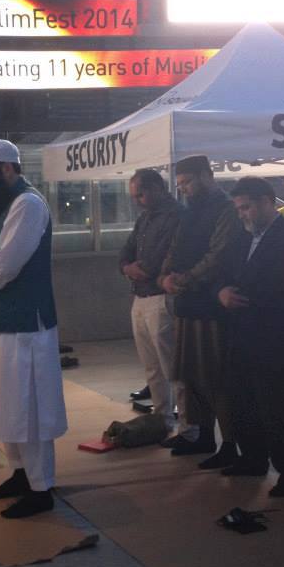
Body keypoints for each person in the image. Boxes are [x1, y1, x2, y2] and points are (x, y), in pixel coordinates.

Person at [0, 139, 68, 519]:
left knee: (30, 405)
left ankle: (41, 488)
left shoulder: (28, 203)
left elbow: (9, 262)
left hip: (26, 323)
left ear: (8, 168)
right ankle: (20, 474)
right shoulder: (3, 206)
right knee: (7, 403)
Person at [158, 154, 240, 466]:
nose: (185, 190)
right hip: (187, 301)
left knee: (215, 376)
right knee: (191, 375)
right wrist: (166, 275)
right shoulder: (189, 211)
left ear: (207, 175)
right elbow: (175, 247)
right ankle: (203, 435)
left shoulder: (227, 209)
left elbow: (220, 253)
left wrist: (186, 277)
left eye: (188, 182)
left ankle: (230, 443)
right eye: (180, 185)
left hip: (212, 303)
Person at [213, 177, 284, 482]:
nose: (243, 215)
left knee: (275, 407)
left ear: (266, 202)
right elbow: (221, 273)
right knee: (243, 400)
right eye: (238, 209)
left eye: (246, 207)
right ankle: (252, 458)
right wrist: (221, 292)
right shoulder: (241, 238)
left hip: (273, 334)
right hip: (240, 332)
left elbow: (281, 286)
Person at [120, 169, 183, 431]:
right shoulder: (145, 218)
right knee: (152, 367)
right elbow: (126, 250)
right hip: (141, 295)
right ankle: (162, 418)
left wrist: (137, 268)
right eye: (134, 196)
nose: (138, 200)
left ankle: (188, 425)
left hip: (160, 297)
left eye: (141, 194)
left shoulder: (176, 215)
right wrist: (127, 266)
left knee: (172, 366)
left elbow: (162, 255)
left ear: (158, 187)